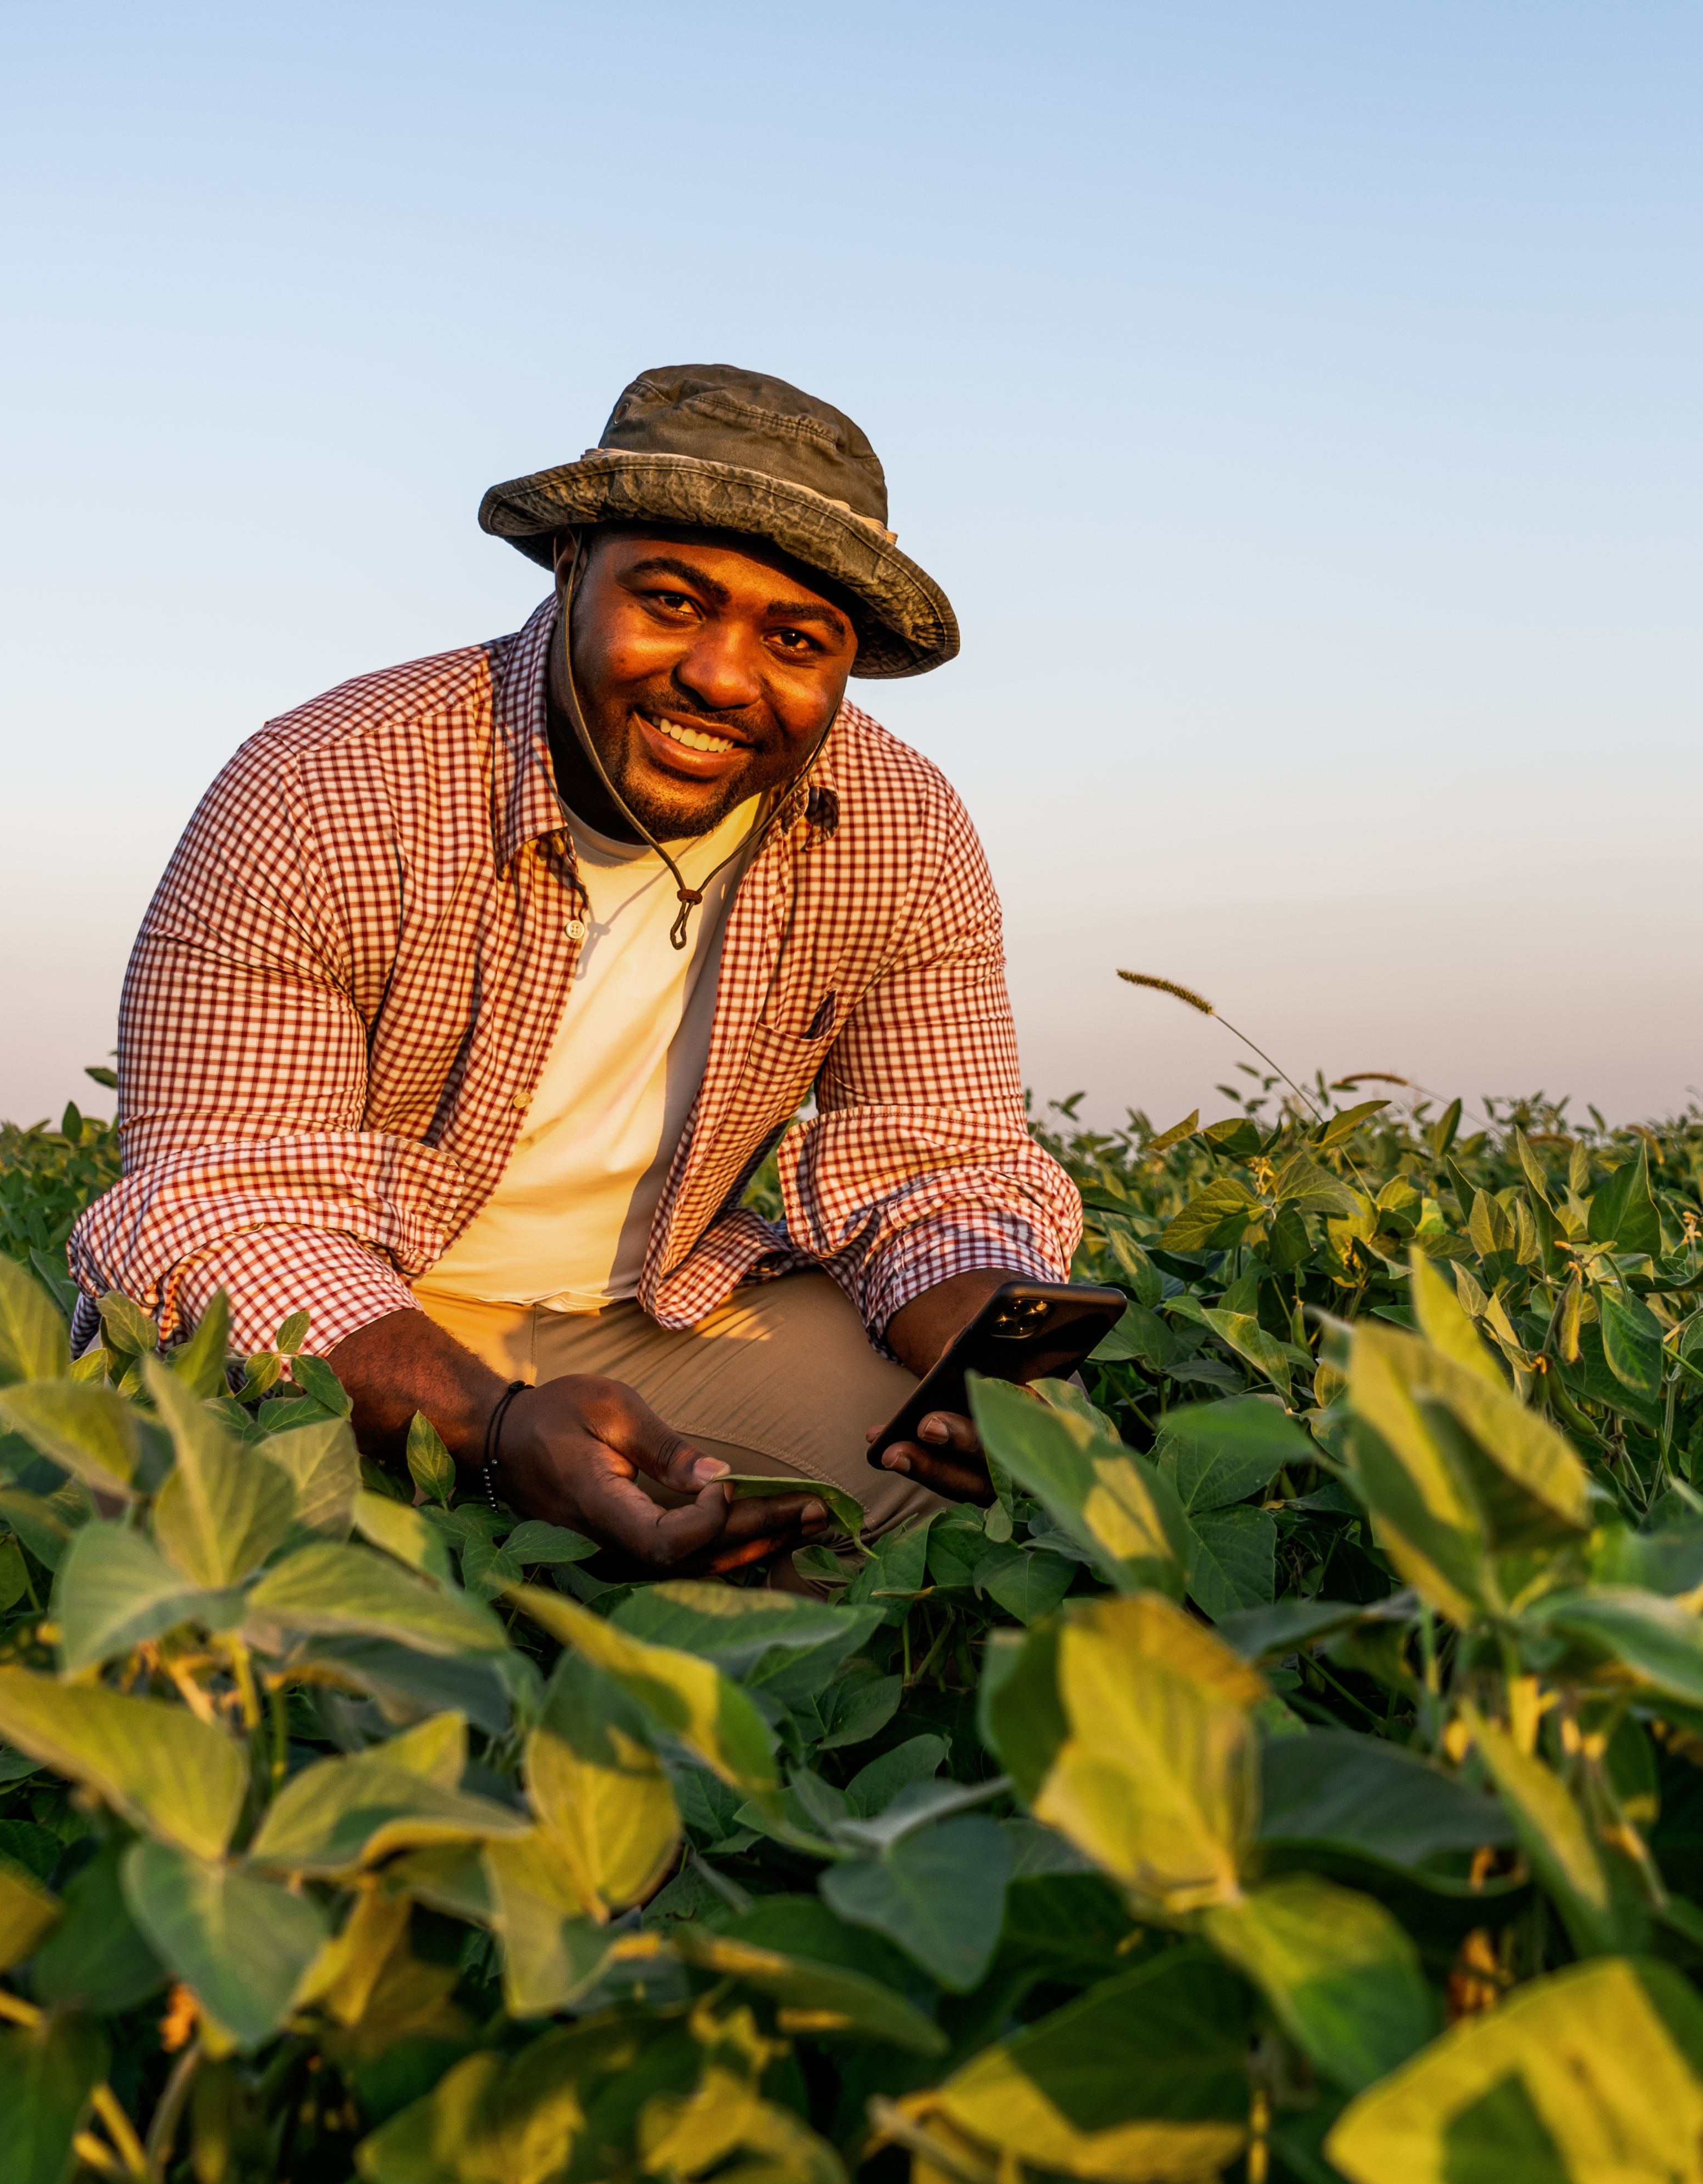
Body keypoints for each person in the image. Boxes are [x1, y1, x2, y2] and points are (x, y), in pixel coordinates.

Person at [68, 364, 1081, 1576]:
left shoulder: (899, 826)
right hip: (375, 1300)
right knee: (264, 1555)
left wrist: (981, 1344)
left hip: (661, 1311)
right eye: (670, 600)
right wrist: (492, 1427)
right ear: (572, 568)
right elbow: (223, 1209)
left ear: (844, 666)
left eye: (796, 640)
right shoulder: (327, 785)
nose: (718, 674)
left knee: (978, 1489)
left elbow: (939, 1159)